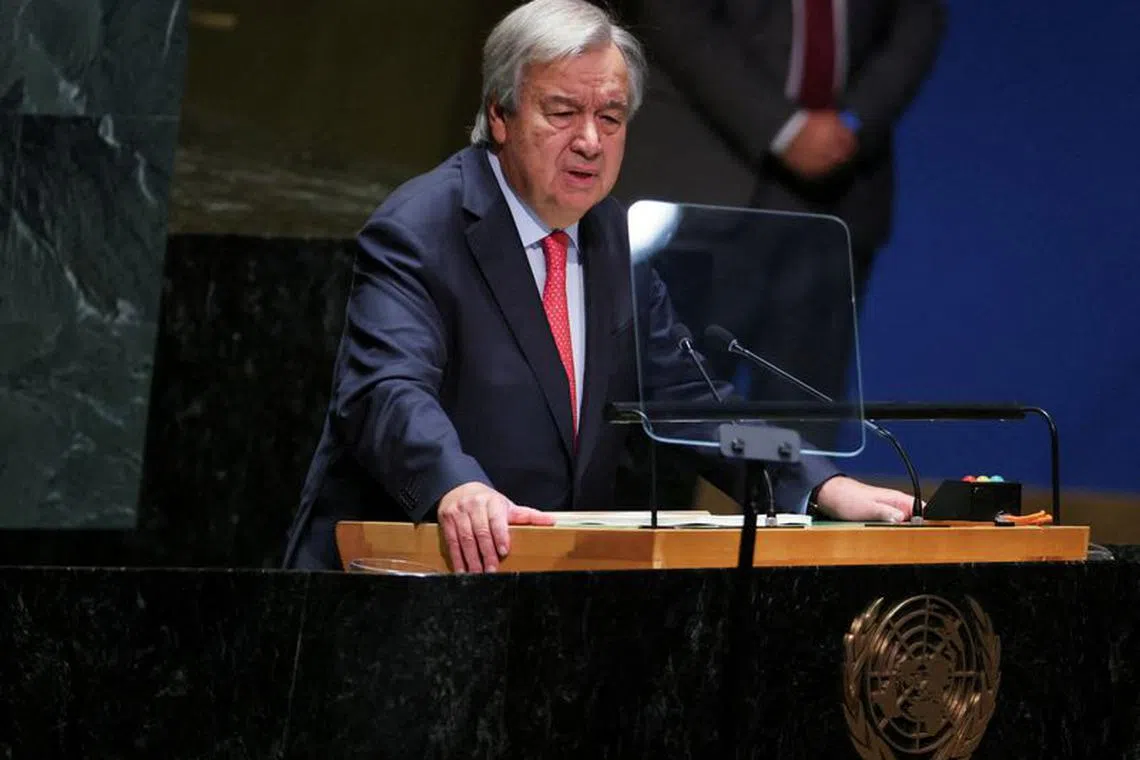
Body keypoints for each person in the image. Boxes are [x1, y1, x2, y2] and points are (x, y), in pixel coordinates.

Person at [282, 0, 915, 573]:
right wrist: (456, 485)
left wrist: (814, 482)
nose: (590, 140)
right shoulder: (423, 227)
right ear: (500, 115)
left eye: (610, 117)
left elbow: (691, 401)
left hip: (546, 588)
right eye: (563, 112)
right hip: (400, 577)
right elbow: (385, 392)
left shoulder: (610, 235)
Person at [613, 0, 947, 419]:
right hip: (703, 181)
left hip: (841, 193)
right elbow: (677, 17)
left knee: (806, 423)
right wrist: (783, 128)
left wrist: (853, 124)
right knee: (669, 416)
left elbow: (917, 22)